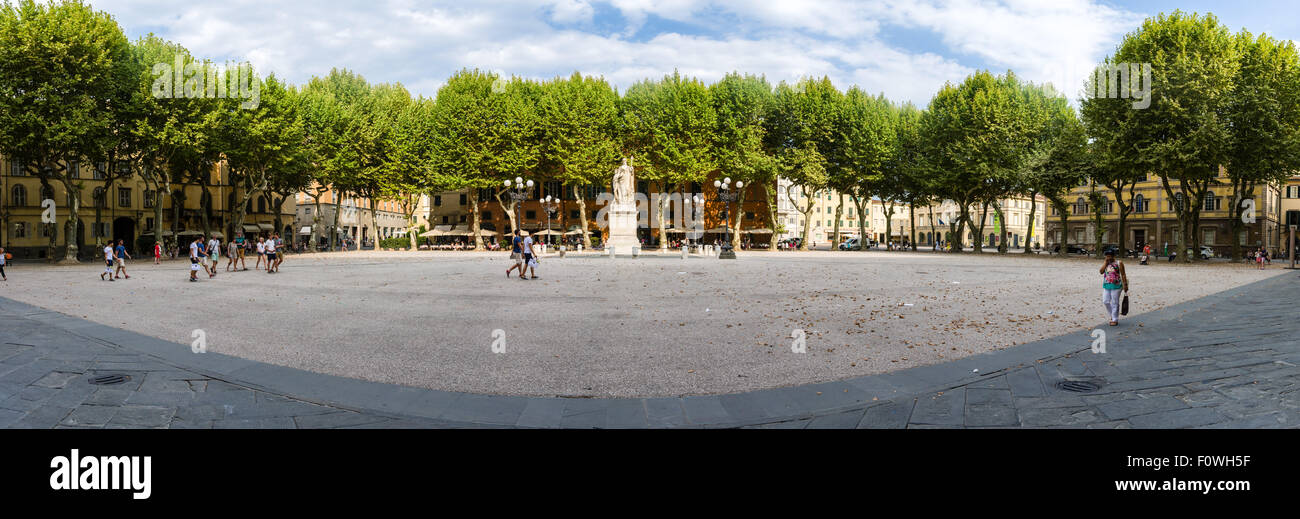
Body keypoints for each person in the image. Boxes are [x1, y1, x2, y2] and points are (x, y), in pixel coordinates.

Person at [1099, 248, 1128, 326]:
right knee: (1105, 301)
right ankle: (1112, 315)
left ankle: (1115, 319)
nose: (1108, 257)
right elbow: (1101, 272)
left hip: (1117, 285)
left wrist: (1125, 285)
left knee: (1115, 302)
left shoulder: (1119, 263)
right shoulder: (1106, 263)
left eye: (1109, 256)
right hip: (1106, 285)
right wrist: (1105, 262)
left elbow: (1123, 274)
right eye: (1107, 256)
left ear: (1113, 256)